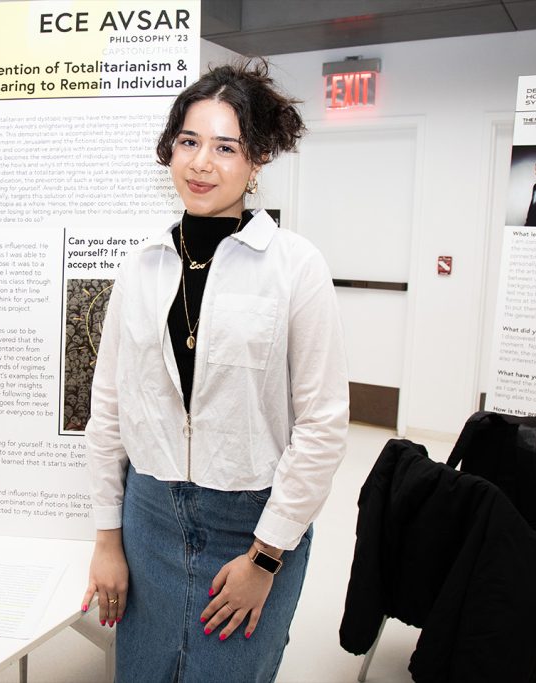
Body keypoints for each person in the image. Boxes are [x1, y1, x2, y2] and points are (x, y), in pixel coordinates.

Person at [82, 58, 349, 682]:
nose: (202, 163)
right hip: (147, 516)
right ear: (170, 150)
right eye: (189, 142)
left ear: (256, 160)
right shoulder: (141, 266)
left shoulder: (295, 268)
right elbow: (109, 408)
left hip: (252, 521)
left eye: (226, 147)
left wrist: (265, 558)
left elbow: (323, 426)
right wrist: (106, 539)